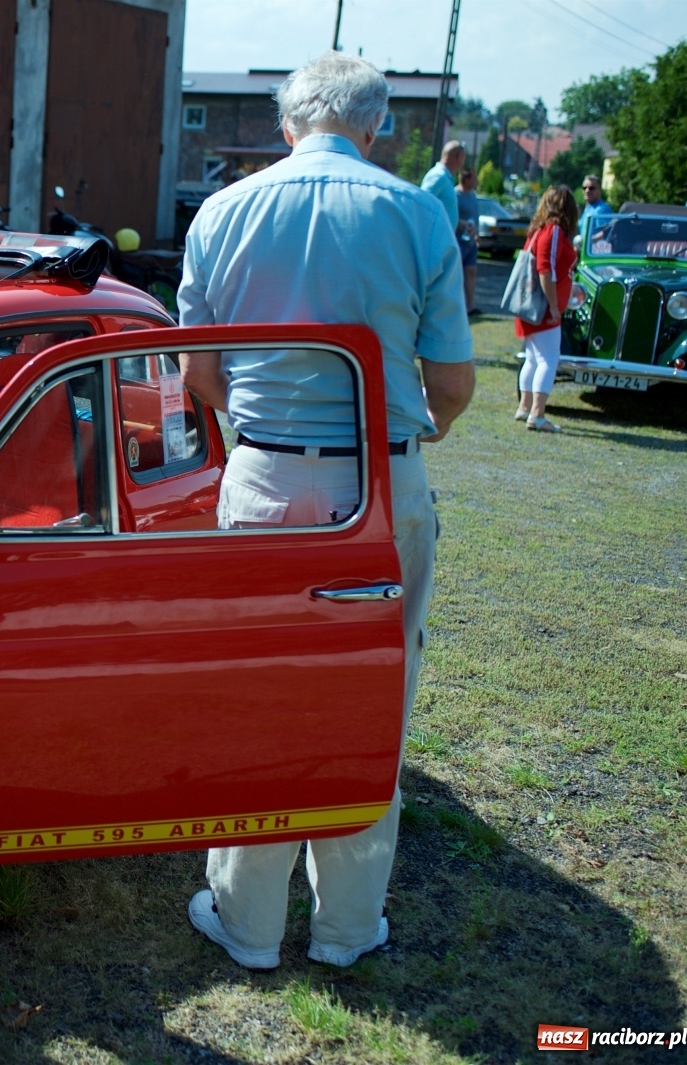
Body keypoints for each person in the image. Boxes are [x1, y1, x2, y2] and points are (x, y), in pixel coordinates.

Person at [177, 52, 474, 971]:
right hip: (381, 487)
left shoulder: (222, 212)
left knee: (256, 697)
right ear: (375, 126)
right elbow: (455, 383)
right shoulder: (417, 213)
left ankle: (249, 922)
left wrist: (265, 432)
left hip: (264, 480)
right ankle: (348, 927)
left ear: (284, 123)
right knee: (371, 698)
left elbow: (197, 372)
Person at [514, 185, 579, 433]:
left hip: (533, 307)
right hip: (542, 308)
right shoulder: (553, 231)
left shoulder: (540, 229)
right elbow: (545, 269)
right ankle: (537, 414)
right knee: (548, 359)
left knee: (533, 358)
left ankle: (525, 407)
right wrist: (553, 306)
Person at [420, 140, 465, 233]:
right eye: (463, 157)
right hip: (435, 239)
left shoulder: (445, 177)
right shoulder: (439, 176)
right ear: (458, 157)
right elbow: (421, 204)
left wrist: (460, 224)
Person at [456, 167, 480, 315]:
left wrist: (477, 234)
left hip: (471, 242)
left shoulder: (473, 196)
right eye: (474, 178)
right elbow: (450, 216)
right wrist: (463, 225)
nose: (476, 181)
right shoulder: (455, 195)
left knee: (471, 271)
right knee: (456, 274)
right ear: (466, 179)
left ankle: (470, 306)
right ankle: (458, 305)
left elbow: (476, 216)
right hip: (458, 241)